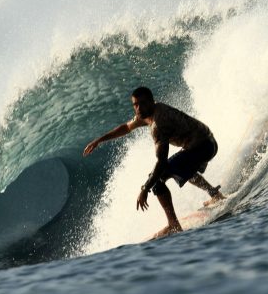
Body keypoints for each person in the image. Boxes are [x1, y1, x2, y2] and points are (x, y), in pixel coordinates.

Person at [83, 86, 225, 238]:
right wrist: (99, 140)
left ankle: (173, 224)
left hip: (204, 147)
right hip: (205, 142)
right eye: (135, 104)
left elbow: (161, 162)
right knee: (179, 168)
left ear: (151, 101)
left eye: (142, 103)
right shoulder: (146, 114)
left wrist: (145, 188)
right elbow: (126, 127)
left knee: (158, 180)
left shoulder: (159, 123)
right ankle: (214, 194)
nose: (138, 108)